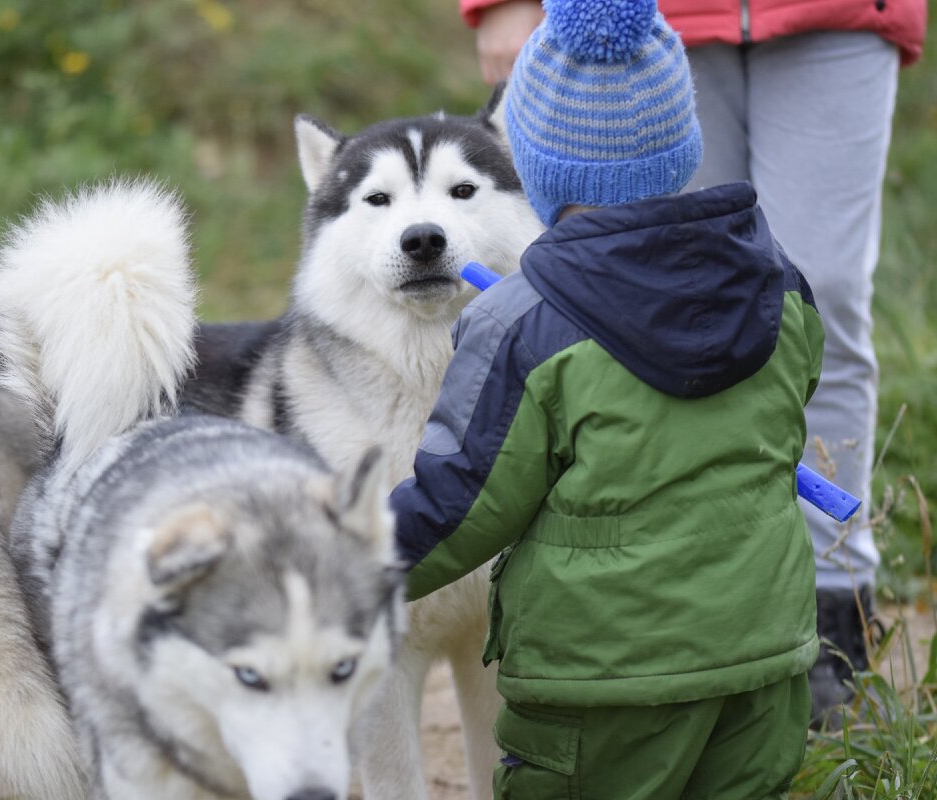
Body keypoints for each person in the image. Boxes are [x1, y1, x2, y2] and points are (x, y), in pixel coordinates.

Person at [390, 0, 825, 794]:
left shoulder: (523, 324)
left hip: (600, 692)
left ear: (540, 165)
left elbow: (463, 503)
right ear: (681, 145)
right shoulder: (781, 288)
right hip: (765, 667)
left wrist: (343, 560)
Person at [460, 0, 927, 725]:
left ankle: (836, 612)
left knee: (821, 295)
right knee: (644, 289)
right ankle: (676, 616)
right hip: (651, 21)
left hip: (836, 17)